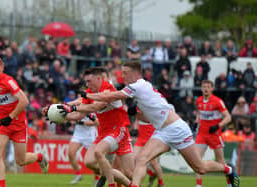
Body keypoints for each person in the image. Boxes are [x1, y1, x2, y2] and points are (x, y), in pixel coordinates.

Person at [81, 61, 240, 187]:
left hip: (177, 129)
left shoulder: (139, 85)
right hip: (162, 131)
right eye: (122, 73)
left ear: (135, 74)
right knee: (142, 159)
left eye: (125, 73)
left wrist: (87, 94)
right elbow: (147, 118)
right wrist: (136, 113)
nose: (123, 76)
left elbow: (114, 96)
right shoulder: (140, 89)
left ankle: (228, 169)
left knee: (200, 168)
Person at [43, 67, 134, 187]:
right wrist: (60, 117)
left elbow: (95, 107)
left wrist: (70, 107)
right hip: (103, 133)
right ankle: (129, 184)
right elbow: (78, 115)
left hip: (118, 130)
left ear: (98, 79)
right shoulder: (90, 92)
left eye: (89, 81)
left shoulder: (108, 89)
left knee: (129, 172)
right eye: (85, 81)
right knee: (90, 162)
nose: (87, 84)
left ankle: (114, 183)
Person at [0, 56, 49, 187]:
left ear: (1, 68)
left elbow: (24, 101)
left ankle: (40, 157)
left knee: (20, 160)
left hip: (18, 124)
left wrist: (11, 117)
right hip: (2, 124)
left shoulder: (9, 81)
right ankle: (2, 185)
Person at [195, 80, 232, 187]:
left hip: (214, 135)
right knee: (196, 161)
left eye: (208, 87)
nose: (206, 89)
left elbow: (228, 117)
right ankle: (198, 185)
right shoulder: (198, 101)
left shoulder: (217, 101)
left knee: (221, 162)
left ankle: (229, 183)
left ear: (212, 89)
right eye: (204, 87)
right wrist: (196, 121)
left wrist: (217, 126)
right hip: (201, 134)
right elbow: (199, 113)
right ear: (201, 89)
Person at [68, 111, 99, 185]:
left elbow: (97, 122)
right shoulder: (79, 102)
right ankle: (78, 174)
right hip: (78, 133)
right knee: (70, 153)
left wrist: (82, 123)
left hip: (89, 135)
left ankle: (97, 179)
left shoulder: (93, 104)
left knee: (94, 160)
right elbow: (73, 114)